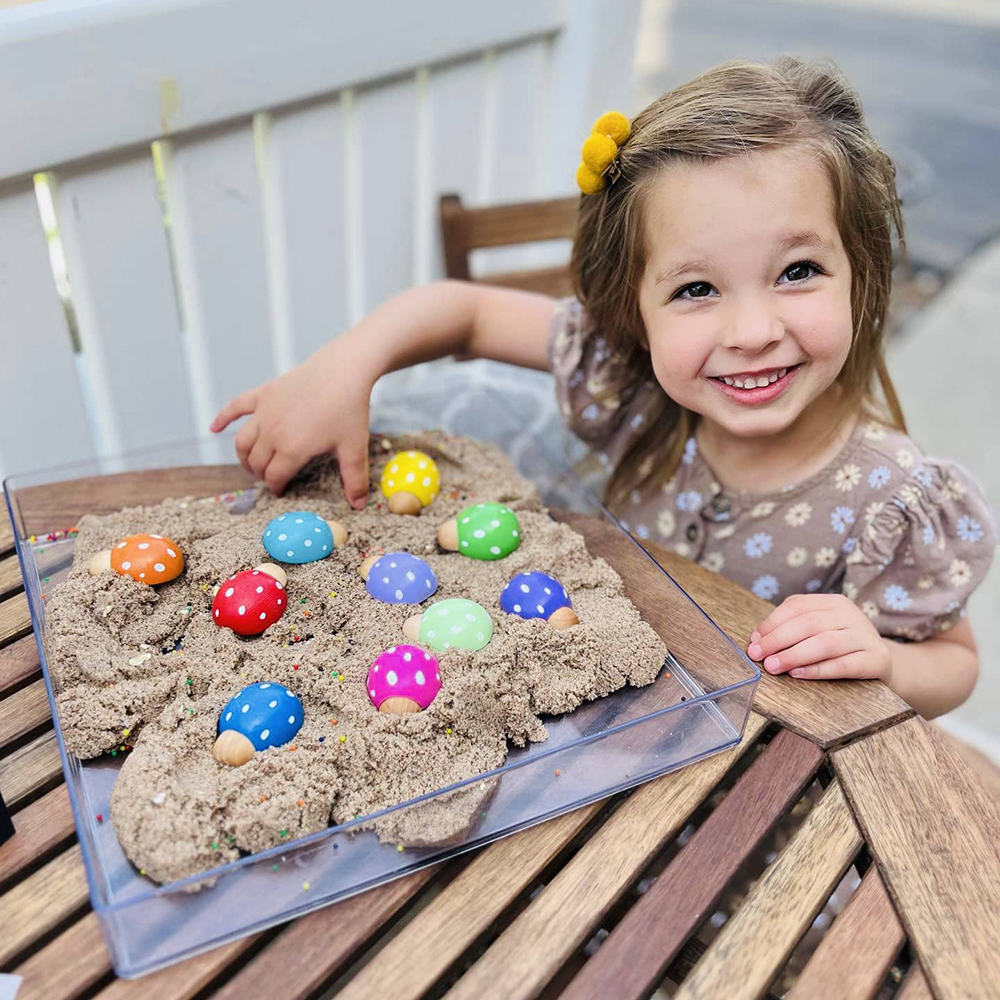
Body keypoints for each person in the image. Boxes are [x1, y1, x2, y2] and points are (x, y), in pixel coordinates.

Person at [211, 55, 996, 719]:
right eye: (696, 289)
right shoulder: (635, 384)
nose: (752, 329)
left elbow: (955, 665)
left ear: (860, 275)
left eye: (799, 271)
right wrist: (344, 367)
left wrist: (887, 661)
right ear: (636, 310)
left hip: (761, 779)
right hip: (611, 721)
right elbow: (466, 310)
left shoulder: (894, 500)